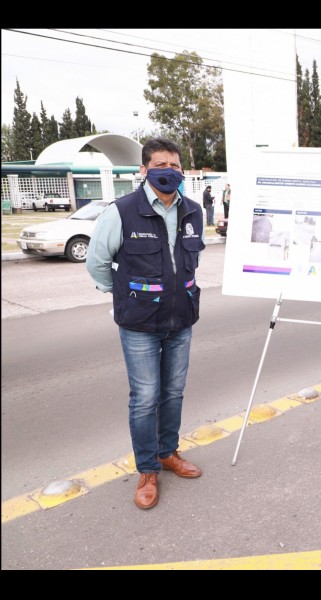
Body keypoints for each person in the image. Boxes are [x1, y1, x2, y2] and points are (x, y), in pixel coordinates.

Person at [86, 137, 206, 510]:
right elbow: (97, 262)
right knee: (145, 399)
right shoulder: (121, 212)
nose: (168, 171)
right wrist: (123, 295)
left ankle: (168, 453)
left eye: (174, 165)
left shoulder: (193, 211)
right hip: (139, 325)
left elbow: (191, 262)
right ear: (143, 170)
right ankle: (148, 469)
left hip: (181, 320)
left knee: (173, 393)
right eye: (160, 165)